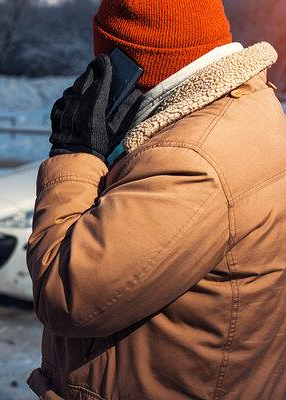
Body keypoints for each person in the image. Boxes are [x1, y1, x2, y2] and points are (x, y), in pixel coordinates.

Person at [26, 0, 286, 399]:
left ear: (123, 62)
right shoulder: (248, 107)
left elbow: (65, 293)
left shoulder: (190, 161)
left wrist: (73, 153)